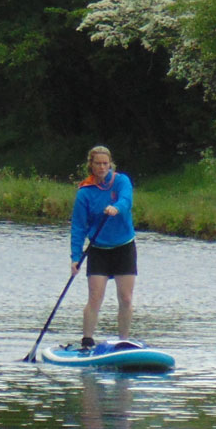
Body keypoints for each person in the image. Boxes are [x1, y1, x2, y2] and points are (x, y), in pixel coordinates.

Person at [70, 145, 136, 349]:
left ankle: (123, 339)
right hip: (98, 249)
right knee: (95, 297)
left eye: (105, 164)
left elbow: (126, 200)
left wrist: (116, 208)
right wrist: (75, 257)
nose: (102, 167)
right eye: (98, 164)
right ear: (91, 165)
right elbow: (79, 227)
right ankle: (87, 340)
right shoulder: (85, 192)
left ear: (110, 164)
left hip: (123, 247)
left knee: (125, 298)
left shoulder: (121, 181)